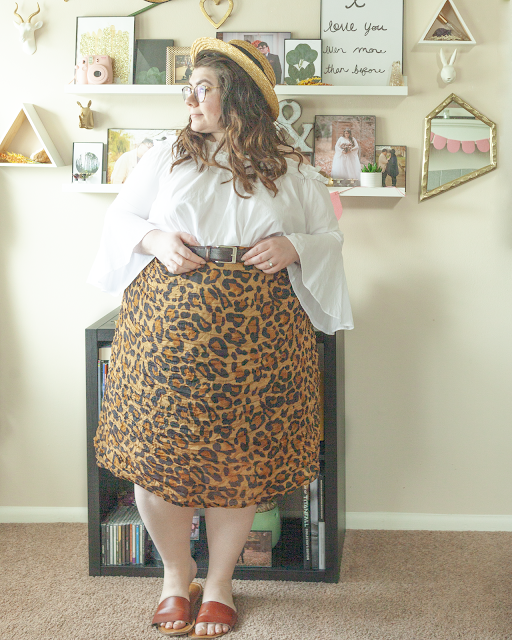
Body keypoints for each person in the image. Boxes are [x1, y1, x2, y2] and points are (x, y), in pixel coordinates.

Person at [88, 37, 353, 638]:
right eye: (190, 86)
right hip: (167, 328)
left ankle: (220, 584)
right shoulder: (164, 158)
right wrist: (155, 241)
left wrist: (297, 247)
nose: (190, 97)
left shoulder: (291, 169)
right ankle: (175, 579)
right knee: (159, 460)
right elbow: (121, 222)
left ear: (238, 97)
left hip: (258, 335)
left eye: (204, 86)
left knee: (240, 462)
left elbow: (328, 241)